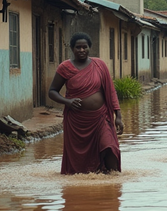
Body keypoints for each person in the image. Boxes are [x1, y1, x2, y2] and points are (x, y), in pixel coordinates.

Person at [49, 32, 124, 174]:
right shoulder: (65, 68)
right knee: (79, 158)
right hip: (77, 122)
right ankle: (86, 180)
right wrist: (67, 101)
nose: (82, 50)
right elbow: (52, 91)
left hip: (101, 117)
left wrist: (118, 116)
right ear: (72, 49)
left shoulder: (99, 65)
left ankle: (114, 182)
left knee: (109, 146)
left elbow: (111, 91)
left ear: (90, 48)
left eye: (85, 47)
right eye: (78, 47)